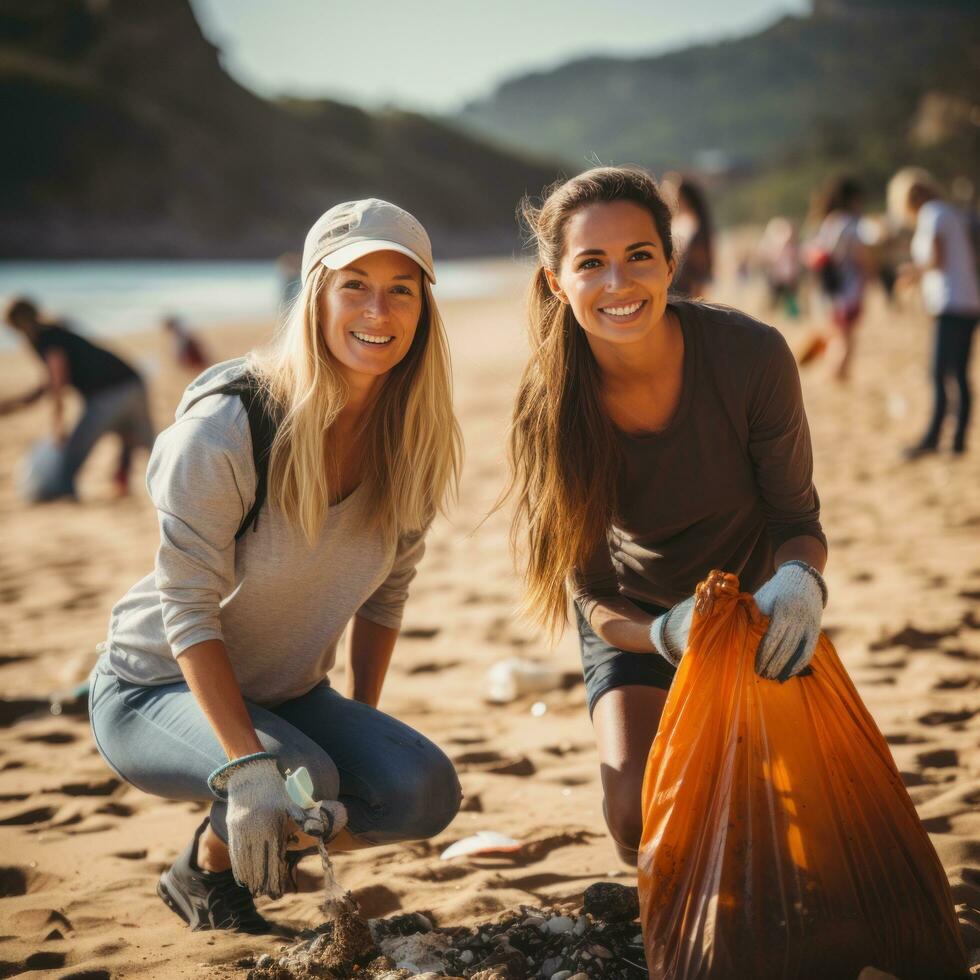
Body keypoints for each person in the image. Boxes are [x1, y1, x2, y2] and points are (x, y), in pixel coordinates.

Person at [88, 199, 464, 934]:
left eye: (401, 288)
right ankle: (208, 866)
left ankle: (236, 828)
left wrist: (364, 718)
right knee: (303, 781)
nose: (377, 309)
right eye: (353, 284)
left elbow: (387, 595)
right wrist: (251, 765)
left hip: (288, 691)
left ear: (423, 308)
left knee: (422, 792)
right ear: (314, 294)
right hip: (154, 685)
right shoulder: (229, 427)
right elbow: (188, 606)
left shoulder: (412, 439)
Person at [506, 167, 827, 865]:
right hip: (639, 624)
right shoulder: (551, 405)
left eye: (638, 257)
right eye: (591, 264)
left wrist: (799, 585)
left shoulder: (753, 355)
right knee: (638, 819)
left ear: (671, 263)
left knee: (793, 823)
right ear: (558, 283)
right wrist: (662, 633)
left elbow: (796, 520)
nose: (618, 284)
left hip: (756, 613)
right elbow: (590, 591)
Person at [1, 299, 155, 498]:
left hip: (106, 394)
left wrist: (58, 423)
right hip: (133, 381)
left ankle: (65, 492)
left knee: (71, 456)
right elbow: (51, 381)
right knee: (144, 441)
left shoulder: (45, 339)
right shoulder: (57, 331)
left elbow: (57, 380)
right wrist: (18, 403)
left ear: (17, 324)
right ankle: (128, 481)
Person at [888, 168, 980, 458]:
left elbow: (936, 259)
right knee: (959, 374)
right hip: (967, 302)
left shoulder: (933, 214)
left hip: (951, 303)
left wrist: (911, 273)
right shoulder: (948, 212)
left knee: (940, 374)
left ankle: (932, 438)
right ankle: (956, 441)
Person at [804, 175, 874, 382]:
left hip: (829, 290)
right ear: (853, 199)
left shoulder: (828, 222)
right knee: (845, 339)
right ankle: (837, 377)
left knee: (838, 335)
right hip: (848, 289)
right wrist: (871, 273)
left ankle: (836, 375)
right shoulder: (850, 224)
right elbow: (862, 256)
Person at [668, 177, 714, 299]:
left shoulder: (696, 225)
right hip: (670, 286)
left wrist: (698, 299)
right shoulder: (674, 222)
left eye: (673, 191)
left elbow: (700, 265)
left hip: (685, 289)